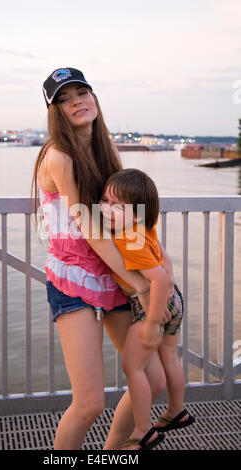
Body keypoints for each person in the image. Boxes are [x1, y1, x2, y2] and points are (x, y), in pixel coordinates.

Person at [31, 67, 174, 450]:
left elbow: (131, 220)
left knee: (155, 378)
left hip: (112, 278)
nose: (76, 101)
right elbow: (92, 231)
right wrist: (142, 280)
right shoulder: (58, 156)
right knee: (90, 403)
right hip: (73, 281)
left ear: (94, 97)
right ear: (55, 111)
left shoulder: (105, 150)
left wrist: (157, 265)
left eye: (82, 92)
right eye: (64, 98)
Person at [99, 168, 195, 451]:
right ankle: (176, 410)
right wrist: (170, 275)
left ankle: (142, 431)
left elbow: (158, 278)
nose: (105, 208)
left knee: (133, 367)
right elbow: (164, 258)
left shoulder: (128, 239)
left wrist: (152, 323)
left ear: (137, 214)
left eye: (117, 206)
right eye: (104, 200)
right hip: (173, 300)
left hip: (152, 306)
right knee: (170, 358)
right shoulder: (143, 228)